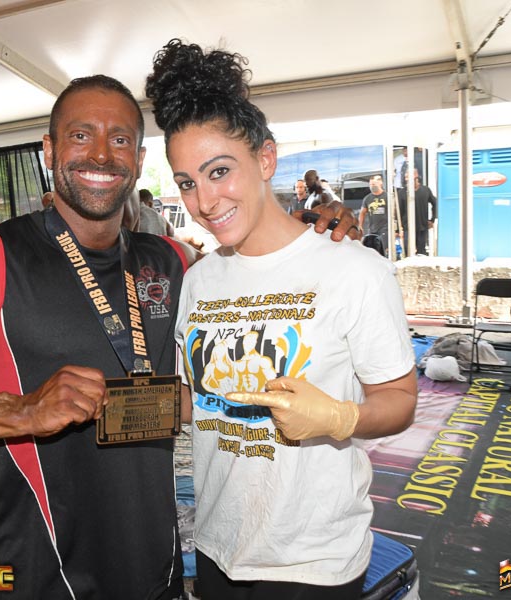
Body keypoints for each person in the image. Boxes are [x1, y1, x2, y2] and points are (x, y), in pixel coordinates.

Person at [0, 74, 358, 598]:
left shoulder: (175, 262)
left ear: (138, 159)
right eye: (80, 135)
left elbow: (260, 267)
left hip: (155, 567)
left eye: (119, 140)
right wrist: (22, 411)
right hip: (38, 573)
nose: (100, 154)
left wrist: (316, 232)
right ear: (49, 150)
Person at [146, 39, 417, 598]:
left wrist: (338, 417)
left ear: (265, 159)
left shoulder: (353, 269)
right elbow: (198, 401)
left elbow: (400, 400)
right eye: (188, 182)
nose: (205, 201)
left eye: (220, 171)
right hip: (218, 545)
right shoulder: (198, 280)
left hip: (311, 560)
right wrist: (105, 407)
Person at [398, 168, 437, 255]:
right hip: (407, 228)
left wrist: (432, 219)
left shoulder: (425, 190)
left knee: (421, 252)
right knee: (408, 251)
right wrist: (399, 229)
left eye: (408, 177)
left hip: (422, 227)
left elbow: (435, 203)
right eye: (406, 177)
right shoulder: (402, 193)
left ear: (416, 177)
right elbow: (399, 212)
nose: (406, 179)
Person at [358, 174, 389, 252]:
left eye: (374, 184)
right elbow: (362, 213)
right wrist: (360, 225)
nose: (372, 186)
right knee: (372, 250)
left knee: (383, 248)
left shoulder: (387, 196)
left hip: (385, 228)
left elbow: (394, 212)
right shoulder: (367, 198)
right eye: (370, 184)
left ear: (380, 183)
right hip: (372, 229)